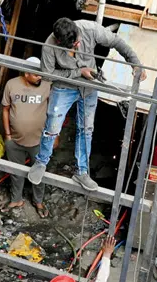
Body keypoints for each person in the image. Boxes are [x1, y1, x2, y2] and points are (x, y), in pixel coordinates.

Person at [32, 17, 143, 193]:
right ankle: (41, 162)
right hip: (64, 88)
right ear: (59, 41)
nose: (77, 46)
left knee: (86, 129)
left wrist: (135, 63)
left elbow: (116, 41)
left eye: (77, 42)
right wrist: (79, 72)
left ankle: (82, 172)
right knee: (52, 126)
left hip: (89, 87)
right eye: (72, 45)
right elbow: (48, 75)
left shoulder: (90, 29)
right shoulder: (49, 45)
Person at [1, 56, 52, 215]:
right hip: (14, 140)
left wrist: (53, 136)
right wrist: (8, 135)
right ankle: (16, 199)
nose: (40, 77)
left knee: (39, 173)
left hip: (39, 141)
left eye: (41, 74)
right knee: (16, 173)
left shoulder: (47, 85)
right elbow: (5, 109)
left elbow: (55, 111)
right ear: (26, 73)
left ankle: (38, 202)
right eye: (36, 74)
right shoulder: (12, 84)